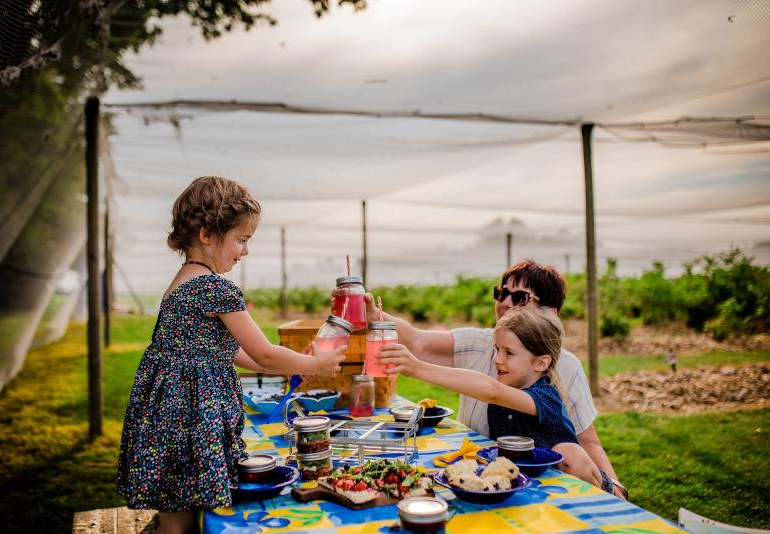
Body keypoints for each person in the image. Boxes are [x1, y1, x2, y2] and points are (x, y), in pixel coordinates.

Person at [117, 176, 346, 534]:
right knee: (180, 524)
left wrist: (294, 366)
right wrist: (314, 364)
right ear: (207, 234)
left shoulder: (182, 281)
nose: (245, 250)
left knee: (177, 514)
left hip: (166, 418)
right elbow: (265, 354)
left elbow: (235, 353)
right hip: (190, 419)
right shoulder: (215, 288)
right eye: (241, 239)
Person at [362, 259, 627, 499]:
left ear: (550, 313)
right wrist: (377, 318)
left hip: (564, 480)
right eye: (502, 293)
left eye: (520, 297)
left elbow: (490, 390)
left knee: (572, 454)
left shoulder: (547, 390)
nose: (506, 303)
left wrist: (614, 489)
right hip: (517, 482)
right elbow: (417, 340)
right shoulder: (484, 343)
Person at [379, 307, 603, 488]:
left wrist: (417, 368)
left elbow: (492, 391)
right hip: (530, 486)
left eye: (509, 353)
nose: (497, 359)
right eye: (496, 349)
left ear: (541, 363)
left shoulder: (546, 398)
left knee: (569, 452)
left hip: (575, 483)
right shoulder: (498, 405)